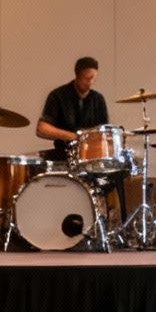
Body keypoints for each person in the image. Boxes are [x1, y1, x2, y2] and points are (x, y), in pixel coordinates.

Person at [37, 56, 127, 219]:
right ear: (77, 75)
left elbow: (103, 133)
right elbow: (42, 129)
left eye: (93, 78)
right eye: (86, 78)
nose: (90, 83)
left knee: (117, 172)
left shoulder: (98, 100)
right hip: (64, 155)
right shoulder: (58, 96)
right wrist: (72, 136)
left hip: (92, 159)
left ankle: (109, 219)